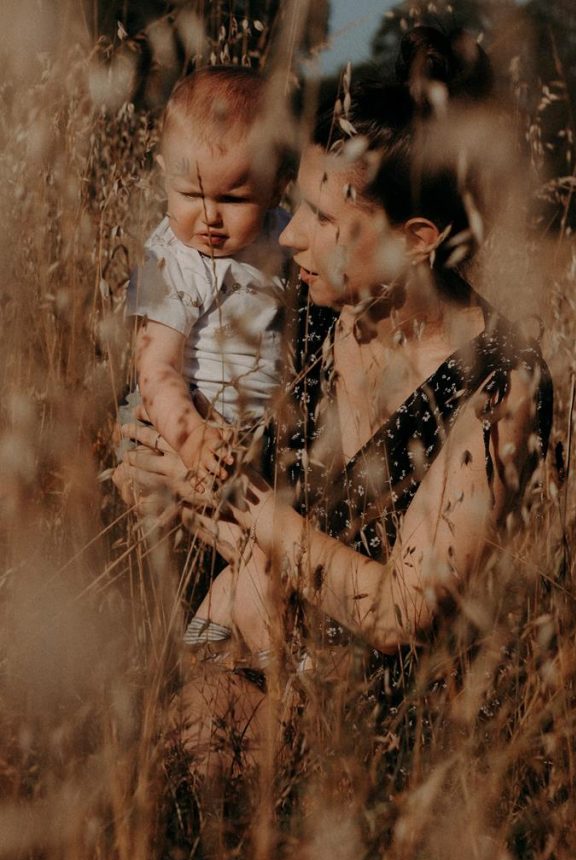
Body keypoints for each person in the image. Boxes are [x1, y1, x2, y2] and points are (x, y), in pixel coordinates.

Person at [116, 27, 553, 777]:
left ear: (414, 240)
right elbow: (136, 458)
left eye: (322, 220)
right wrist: (168, 462)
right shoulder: (311, 309)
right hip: (231, 628)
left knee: (184, 761)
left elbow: (398, 617)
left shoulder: (499, 387)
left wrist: (237, 504)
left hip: (369, 716)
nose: (291, 241)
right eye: (297, 211)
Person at [125, 64, 290, 644]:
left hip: (253, 434)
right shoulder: (165, 257)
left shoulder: (282, 236)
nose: (210, 217)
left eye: (234, 196)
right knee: (255, 551)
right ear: (162, 177)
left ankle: (212, 646)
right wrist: (194, 439)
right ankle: (265, 664)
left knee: (257, 560)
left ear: (274, 187)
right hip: (184, 426)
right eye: (190, 194)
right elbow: (154, 369)